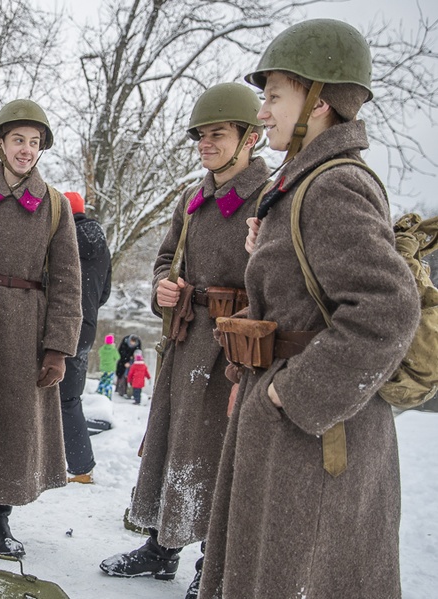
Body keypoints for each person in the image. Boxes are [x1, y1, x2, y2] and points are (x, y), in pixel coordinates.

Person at [199, 20, 419, 598]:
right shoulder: (300, 183)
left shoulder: (331, 184)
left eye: (274, 96)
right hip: (293, 432)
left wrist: (288, 394)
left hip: (316, 438)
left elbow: (387, 312)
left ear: (318, 101)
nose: (263, 112)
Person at [100, 81, 270, 599]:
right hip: (184, 339)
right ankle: (161, 546)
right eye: (200, 135)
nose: (205, 143)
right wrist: (163, 289)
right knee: (172, 444)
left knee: (219, 455)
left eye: (217, 134)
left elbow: (277, 282)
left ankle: (210, 562)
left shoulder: (270, 197)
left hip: (233, 349)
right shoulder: (192, 199)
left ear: (250, 138)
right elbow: (163, 260)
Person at [0, 99, 82, 558]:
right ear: (0, 143)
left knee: (11, 428)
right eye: (17, 140)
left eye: (34, 142)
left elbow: (68, 282)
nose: (25, 150)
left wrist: (57, 348)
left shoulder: (54, 207)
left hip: (26, 332)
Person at [58, 190, 111, 484]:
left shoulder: (60, 239)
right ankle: (81, 468)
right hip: (86, 327)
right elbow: (105, 293)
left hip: (59, 325)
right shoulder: (101, 246)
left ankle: (43, 461)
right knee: (70, 400)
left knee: (40, 396)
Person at [96, 334, 118, 400]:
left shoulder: (102, 349)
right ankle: (108, 395)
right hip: (111, 369)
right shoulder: (113, 350)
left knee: (102, 380)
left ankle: (100, 392)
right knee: (109, 382)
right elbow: (117, 357)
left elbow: (99, 354)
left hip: (103, 368)